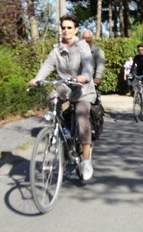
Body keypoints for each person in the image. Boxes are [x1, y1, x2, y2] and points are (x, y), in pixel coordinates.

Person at [28, 14, 96, 181]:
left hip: (83, 88)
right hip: (65, 85)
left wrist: (84, 76)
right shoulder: (56, 49)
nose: (65, 30)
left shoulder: (82, 46)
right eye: (63, 27)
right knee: (52, 98)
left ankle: (86, 161)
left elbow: (88, 64)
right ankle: (60, 131)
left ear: (76, 30)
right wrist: (37, 79)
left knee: (81, 116)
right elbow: (47, 65)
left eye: (69, 27)